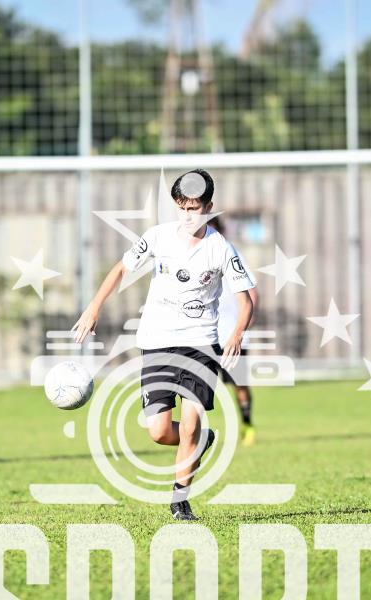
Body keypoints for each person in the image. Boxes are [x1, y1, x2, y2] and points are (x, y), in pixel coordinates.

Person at [72, 169, 256, 520]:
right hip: (156, 342)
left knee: (189, 424)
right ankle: (201, 440)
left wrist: (236, 334)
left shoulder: (220, 248)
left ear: (209, 207)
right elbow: (121, 269)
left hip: (201, 345)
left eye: (195, 209)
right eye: (182, 208)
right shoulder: (158, 237)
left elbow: (246, 301)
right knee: (158, 431)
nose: (188, 216)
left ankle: (180, 500)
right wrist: (94, 307)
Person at [211, 217, 259, 445]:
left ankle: (247, 424)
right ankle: (193, 433)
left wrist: (243, 326)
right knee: (197, 387)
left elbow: (252, 292)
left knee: (239, 384)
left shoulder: (232, 254)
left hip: (231, 335)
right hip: (204, 335)